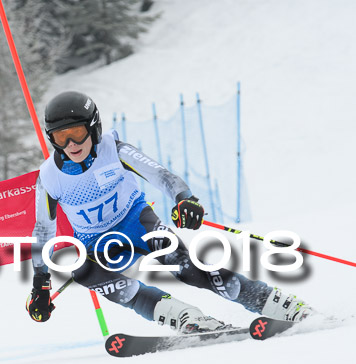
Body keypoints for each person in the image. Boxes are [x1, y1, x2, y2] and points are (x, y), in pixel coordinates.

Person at [27, 91, 313, 332]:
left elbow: (162, 176)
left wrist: (184, 199)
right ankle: (185, 318)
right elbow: (42, 232)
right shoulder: (49, 177)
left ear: (93, 127)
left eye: (77, 133)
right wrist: (40, 283)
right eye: (61, 137)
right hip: (96, 243)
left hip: (137, 221)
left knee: (186, 267)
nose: (71, 145)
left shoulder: (114, 150)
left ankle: (273, 302)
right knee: (83, 271)